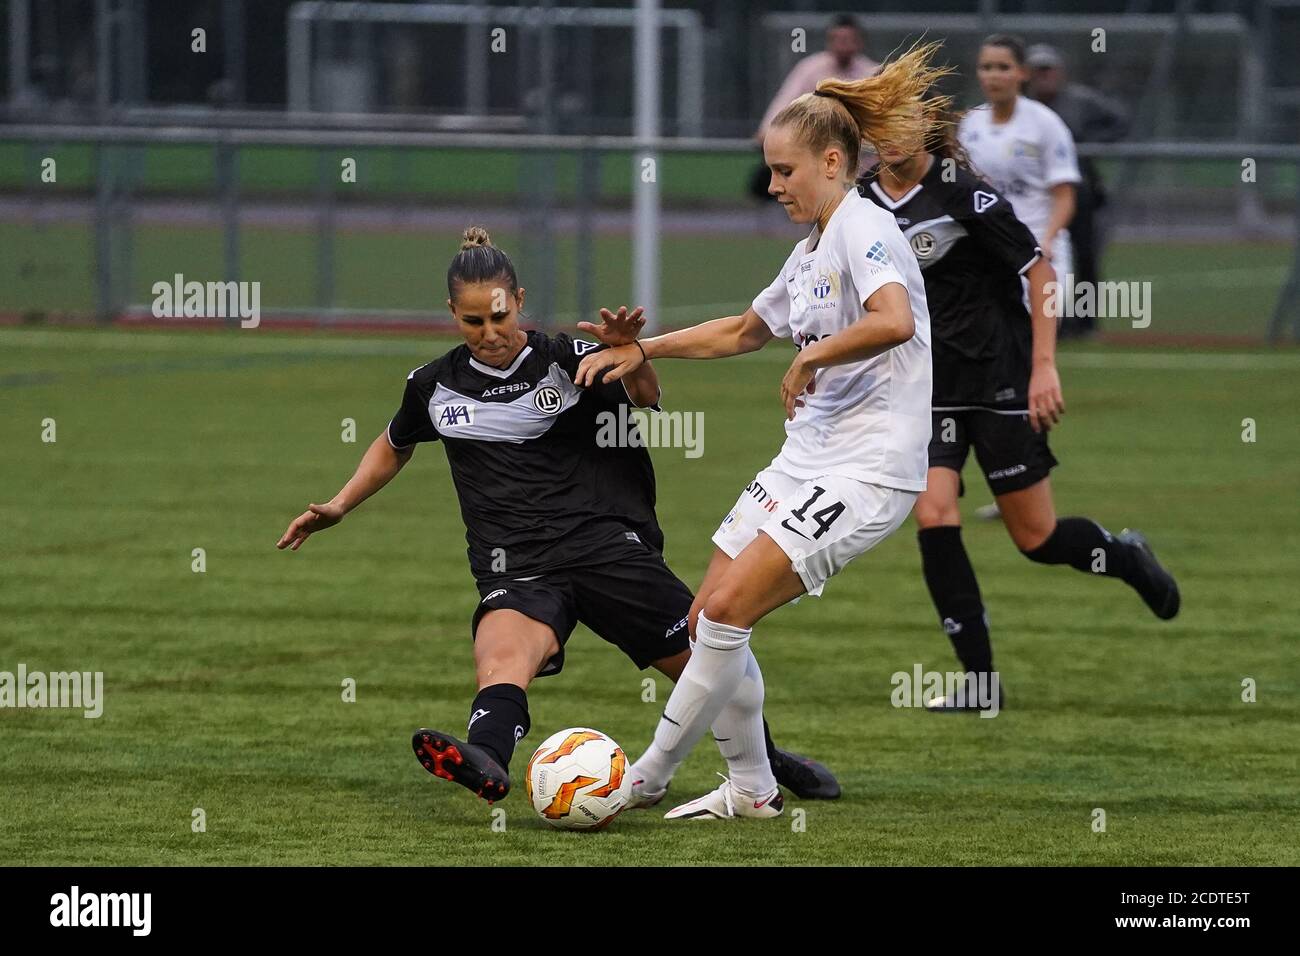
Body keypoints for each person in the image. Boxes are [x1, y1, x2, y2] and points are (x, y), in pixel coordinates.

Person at [275, 228, 839, 807]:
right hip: (515, 563)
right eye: (473, 323)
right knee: (501, 661)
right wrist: (341, 503)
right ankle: (488, 760)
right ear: (452, 314)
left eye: (499, 317)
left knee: (708, 668)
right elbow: (395, 442)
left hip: (607, 551)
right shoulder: (432, 385)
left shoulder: (567, 360)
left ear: (519, 299)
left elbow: (645, 396)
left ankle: (768, 763)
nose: (490, 334)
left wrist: (632, 352)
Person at [576, 44, 944, 820]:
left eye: (785, 171)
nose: (773, 186)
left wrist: (812, 356)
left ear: (834, 162)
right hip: (804, 459)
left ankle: (645, 775)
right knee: (707, 613)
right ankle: (751, 789)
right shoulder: (812, 246)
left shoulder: (863, 228)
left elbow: (895, 320)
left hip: (867, 469)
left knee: (722, 615)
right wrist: (643, 348)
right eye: (771, 172)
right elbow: (745, 330)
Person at [862, 114, 1180, 711]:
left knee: (1037, 538)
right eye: (879, 122)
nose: (889, 134)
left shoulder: (964, 191)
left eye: (903, 119)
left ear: (929, 125)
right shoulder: (861, 201)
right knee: (933, 513)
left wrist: (1044, 366)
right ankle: (981, 683)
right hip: (929, 389)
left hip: (1000, 378)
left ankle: (1126, 555)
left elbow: (1039, 272)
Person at [1025, 43, 1130, 339]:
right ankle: (1048, 321)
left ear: (1059, 72)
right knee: (1040, 254)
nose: (1043, 77)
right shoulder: (1025, 108)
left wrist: (1087, 144)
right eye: (1036, 71)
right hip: (1038, 195)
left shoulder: (1080, 101)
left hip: (1079, 189)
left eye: (1047, 70)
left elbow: (1120, 121)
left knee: (1085, 254)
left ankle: (1084, 323)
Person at [959, 34, 1080, 288]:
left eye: (1003, 67)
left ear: (1022, 73)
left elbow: (1064, 195)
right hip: (988, 250)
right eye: (986, 67)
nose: (993, 76)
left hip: (1037, 246)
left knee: (1039, 326)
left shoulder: (1046, 123)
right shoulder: (971, 123)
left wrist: (1047, 239)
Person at [748, 14, 880, 200]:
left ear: (859, 43)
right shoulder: (811, 69)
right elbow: (786, 102)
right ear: (829, 42)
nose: (843, 45)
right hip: (819, 159)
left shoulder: (872, 73)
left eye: (848, 40)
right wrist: (767, 131)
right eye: (838, 39)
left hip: (863, 161)